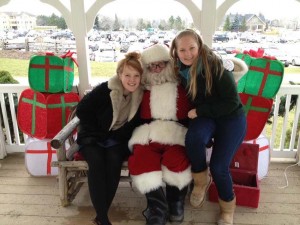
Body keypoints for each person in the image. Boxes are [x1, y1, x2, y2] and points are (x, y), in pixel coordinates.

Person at [170, 29, 248, 225]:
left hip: (230, 118)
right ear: (176, 52)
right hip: (207, 116)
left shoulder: (217, 65)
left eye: (192, 48)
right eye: (182, 50)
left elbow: (231, 102)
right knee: (193, 139)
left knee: (219, 167)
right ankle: (200, 182)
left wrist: (200, 112)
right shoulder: (180, 69)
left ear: (200, 46)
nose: (187, 54)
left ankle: (227, 209)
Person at [75, 52, 144, 225]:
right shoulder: (106, 89)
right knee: (97, 162)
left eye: (136, 75)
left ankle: (100, 215)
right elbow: (82, 110)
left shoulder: (140, 96)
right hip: (93, 135)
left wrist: (119, 135)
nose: (132, 80)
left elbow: (136, 123)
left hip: (117, 138)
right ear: (119, 74)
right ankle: (103, 219)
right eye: (127, 75)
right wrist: (96, 131)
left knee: (114, 160)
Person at [128, 44, 192, 225]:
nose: (156, 69)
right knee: (141, 158)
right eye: (151, 66)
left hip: (176, 132)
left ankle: (176, 203)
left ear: (169, 64)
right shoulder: (141, 88)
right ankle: (157, 208)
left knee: (176, 160)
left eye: (160, 65)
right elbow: (122, 81)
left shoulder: (183, 85)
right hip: (148, 133)